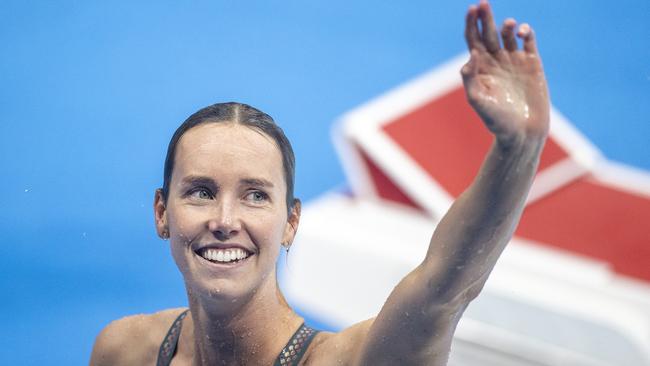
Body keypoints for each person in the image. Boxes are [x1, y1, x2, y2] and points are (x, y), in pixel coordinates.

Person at [89, 0, 549, 364]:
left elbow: (442, 289)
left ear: (291, 222)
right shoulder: (125, 351)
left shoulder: (349, 362)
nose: (225, 220)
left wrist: (519, 148)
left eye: (255, 196)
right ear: (162, 212)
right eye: (201, 192)